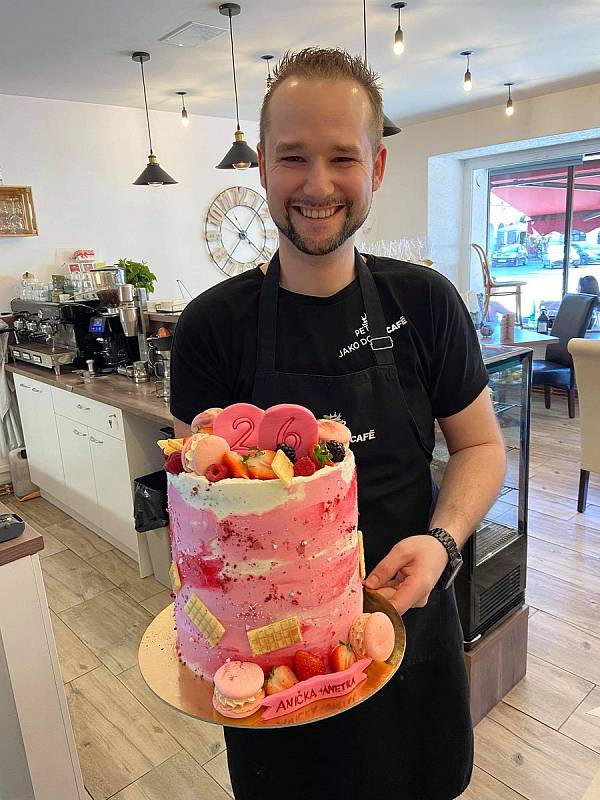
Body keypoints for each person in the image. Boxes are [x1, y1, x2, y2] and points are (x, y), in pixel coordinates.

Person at [171, 48, 506, 800]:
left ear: (377, 167)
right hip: (271, 667)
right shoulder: (211, 329)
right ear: (260, 165)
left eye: (341, 158)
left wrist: (441, 539)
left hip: (409, 632)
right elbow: (207, 501)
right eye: (292, 156)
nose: (317, 185)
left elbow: (482, 446)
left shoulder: (426, 303)